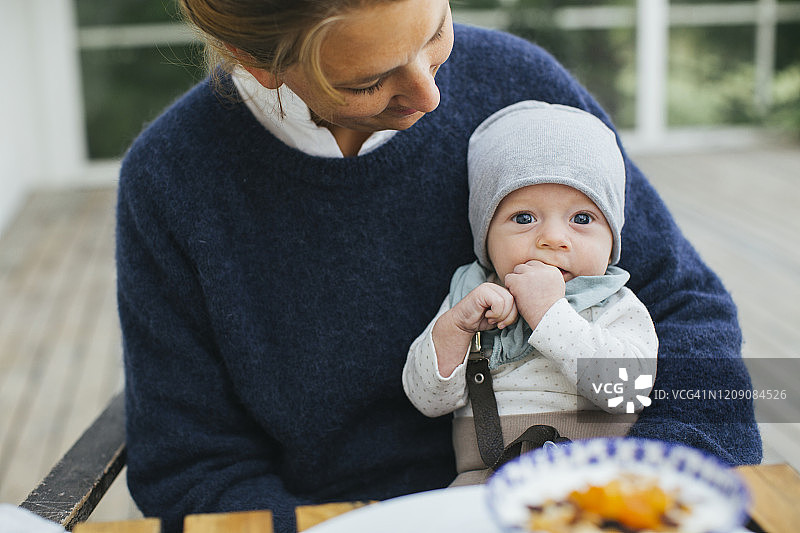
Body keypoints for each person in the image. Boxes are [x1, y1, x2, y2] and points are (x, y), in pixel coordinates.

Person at [115, 1, 761, 532]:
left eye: (437, 30)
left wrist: (658, 494)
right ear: (254, 60)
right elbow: (193, 464)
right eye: (368, 81)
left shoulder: (522, 88)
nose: (430, 94)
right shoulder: (172, 180)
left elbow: (685, 308)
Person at [403, 100, 659, 486]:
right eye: (524, 218)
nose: (553, 238)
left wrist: (550, 313)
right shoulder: (472, 298)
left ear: (612, 236)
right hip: (486, 480)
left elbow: (627, 393)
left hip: (597, 481)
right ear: (486, 236)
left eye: (582, 218)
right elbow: (427, 401)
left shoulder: (614, 304)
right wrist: (455, 329)